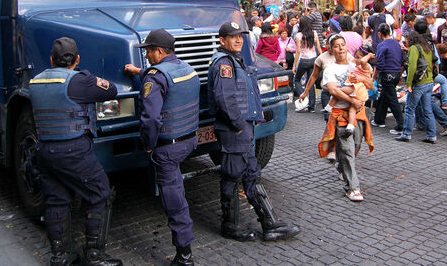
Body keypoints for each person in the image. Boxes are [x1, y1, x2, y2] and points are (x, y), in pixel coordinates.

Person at [30, 37, 122, 266]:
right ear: (77, 59)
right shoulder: (80, 81)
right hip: (73, 150)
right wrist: (86, 75)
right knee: (100, 192)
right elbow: (111, 90)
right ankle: (94, 254)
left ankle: (60, 256)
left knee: (56, 200)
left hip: (44, 150)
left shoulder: (36, 81)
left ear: (52, 60)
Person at [207, 21, 300, 241]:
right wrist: (239, 126)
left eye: (240, 36)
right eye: (233, 36)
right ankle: (234, 225)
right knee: (235, 174)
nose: (238, 39)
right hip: (234, 130)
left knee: (248, 173)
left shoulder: (233, 61)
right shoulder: (224, 65)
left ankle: (268, 223)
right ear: (222, 41)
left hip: (240, 129)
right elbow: (224, 100)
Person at [124, 29, 198, 266]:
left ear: (158, 51)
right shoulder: (185, 68)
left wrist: (148, 145)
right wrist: (140, 72)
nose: (146, 55)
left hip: (167, 147)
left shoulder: (155, 77)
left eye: (148, 51)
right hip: (189, 140)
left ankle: (184, 255)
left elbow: (151, 119)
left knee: (174, 200)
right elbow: (164, 79)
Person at [317, 35, 375, 201]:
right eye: (337, 46)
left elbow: (371, 85)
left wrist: (363, 79)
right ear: (331, 49)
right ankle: (352, 188)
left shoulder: (355, 66)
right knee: (348, 151)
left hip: (359, 115)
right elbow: (334, 91)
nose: (341, 48)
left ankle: (341, 166)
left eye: (343, 45)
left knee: (355, 147)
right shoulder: (330, 70)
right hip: (341, 117)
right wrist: (352, 100)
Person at [395, 31, 438, 143]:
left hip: (419, 84)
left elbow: (412, 67)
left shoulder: (414, 49)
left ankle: (406, 134)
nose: (405, 41)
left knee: (409, 109)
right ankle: (432, 135)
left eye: (406, 39)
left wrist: (408, 84)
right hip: (429, 81)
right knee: (428, 110)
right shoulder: (426, 47)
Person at [325, 47, 374, 137]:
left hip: (357, 89)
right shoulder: (355, 66)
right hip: (358, 93)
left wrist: (369, 55)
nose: (356, 59)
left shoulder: (365, 66)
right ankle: (350, 126)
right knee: (352, 109)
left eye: (358, 57)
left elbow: (363, 62)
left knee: (339, 91)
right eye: (355, 57)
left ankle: (329, 106)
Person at [372, 23, 404, 132]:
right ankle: (379, 120)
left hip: (387, 75)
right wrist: (400, 74)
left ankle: (401, 125)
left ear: (380, 34)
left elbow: (379, 64)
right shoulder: (396, 44)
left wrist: (373, 77)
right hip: (396, 74)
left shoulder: (381, 45)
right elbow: (402, 60)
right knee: (384, 97)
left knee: (392, 100)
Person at [293, 15, 322, 113]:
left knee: (296, 80)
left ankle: (304, 96)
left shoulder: (299, 35)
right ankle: (311, 107)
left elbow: (298, 51)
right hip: (314, 59)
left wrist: (294, 65)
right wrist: (322, 59)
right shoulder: (314, 33)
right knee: (311, 82)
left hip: (304, 60)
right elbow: (318, 47)